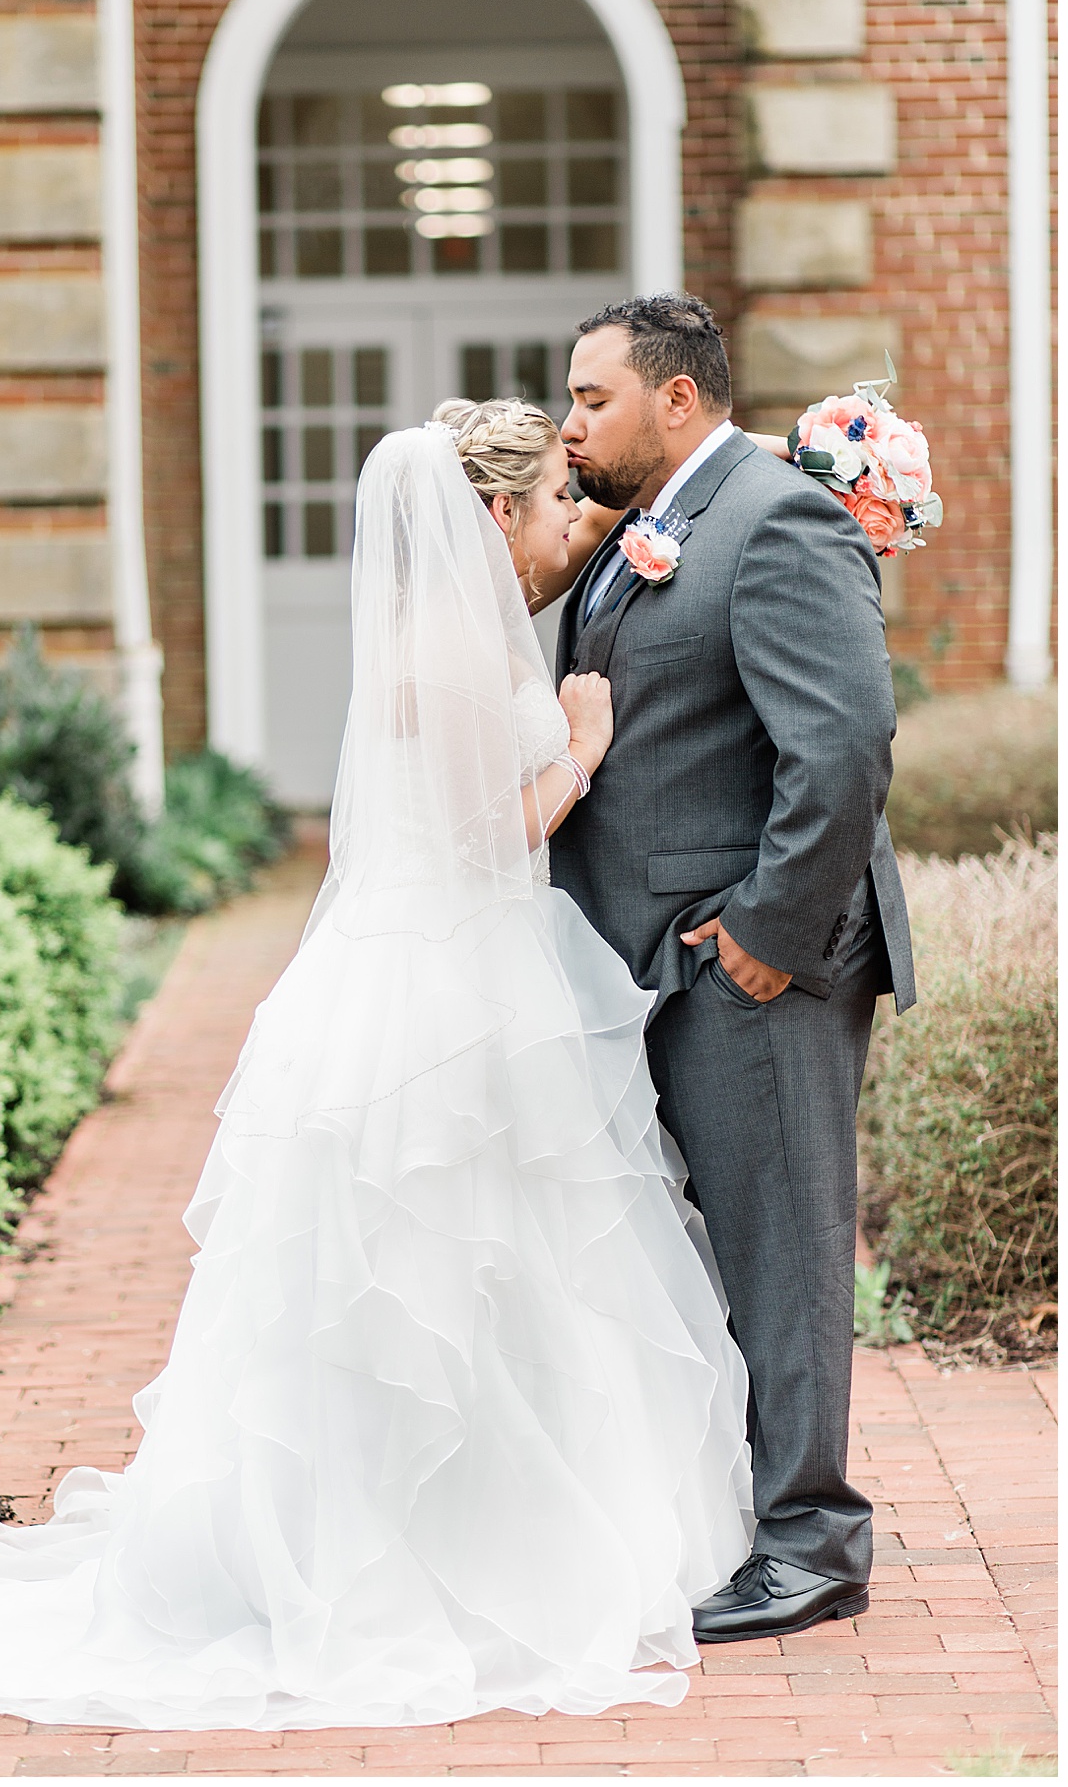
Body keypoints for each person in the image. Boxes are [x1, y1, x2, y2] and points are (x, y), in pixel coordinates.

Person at [0, 401, 754, 1729]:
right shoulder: (444, 653)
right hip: (441, 993)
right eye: (548, 502)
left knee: (475, 1273)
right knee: (445, 1265)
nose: (566, 522)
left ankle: (476, 1534)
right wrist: (582, 750)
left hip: (437, 976)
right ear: (489, 516)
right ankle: (435, 1562)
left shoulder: (460, 635)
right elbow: (490, 840)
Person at [550, 293, 915, 1645]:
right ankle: (747, 1507)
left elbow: (843, 744)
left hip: (757, 960)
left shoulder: (776, 519)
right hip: (653, 957)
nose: (573, 420)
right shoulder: (661, 526)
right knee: (711, 1244)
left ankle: (814, 1536)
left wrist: (768, 932)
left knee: (785, 1243)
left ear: (679, 399)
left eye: (593, 398)